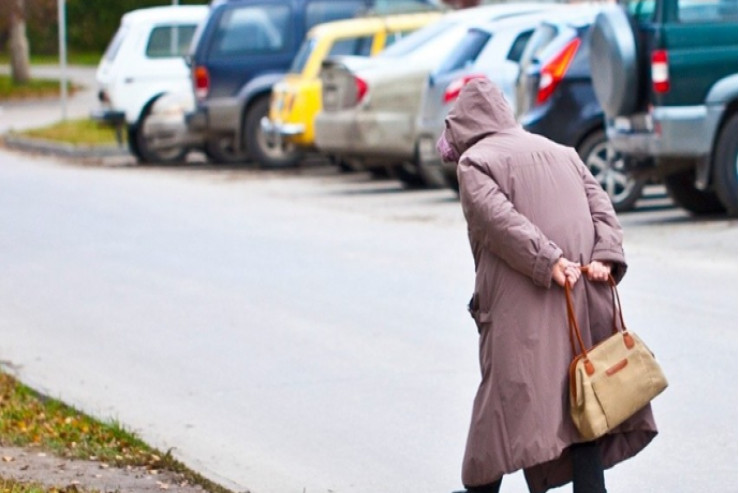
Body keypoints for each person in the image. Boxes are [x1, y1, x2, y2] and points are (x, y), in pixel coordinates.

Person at [437, 78, 658, 493]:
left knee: (507, 401)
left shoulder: (475, 164)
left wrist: (548, 259)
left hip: (525, 305)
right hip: (578, 296)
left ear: (462, 124)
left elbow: (497, 220)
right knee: (579, 395)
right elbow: (602, 207)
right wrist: (603, 257)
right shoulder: (563, 152)